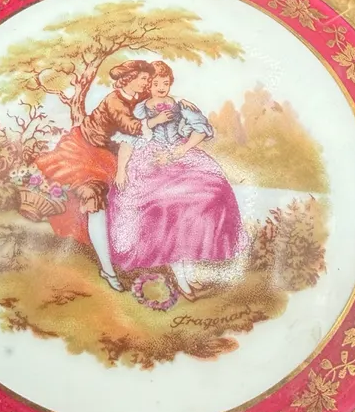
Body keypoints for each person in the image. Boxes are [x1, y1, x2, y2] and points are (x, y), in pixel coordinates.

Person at [106, 61, 248, 299]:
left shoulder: (181, 105)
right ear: (148, 85)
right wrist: (121, 170)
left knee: (210, 194)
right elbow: (128, 140)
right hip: (149, 162)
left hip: (179, 156)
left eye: (165, 82)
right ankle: (181, 279)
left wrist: (181, 150)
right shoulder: (140, 110)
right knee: (169, 209)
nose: (161, 87)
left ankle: (189, 274)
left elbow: (201, 129)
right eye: (155, 83)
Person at [33, 60, 161, 289]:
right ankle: (108, 270)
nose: (147, 83)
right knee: (95, 201)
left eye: (147, 79)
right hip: (85, 153)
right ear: (129, 79)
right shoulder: (114, 100)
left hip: (113, 155)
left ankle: (138, 255)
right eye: (143, 78)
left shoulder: (140, 97)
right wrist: (158, 120)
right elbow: (131, 126)